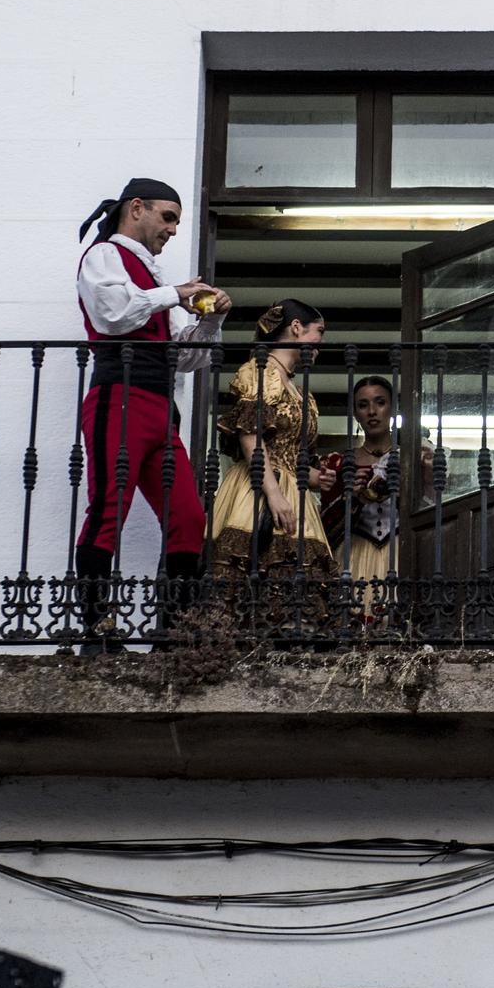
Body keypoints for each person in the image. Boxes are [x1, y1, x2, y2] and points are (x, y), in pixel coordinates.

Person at [72, 178, 229, 651]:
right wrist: (174, 294)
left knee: (187, 516)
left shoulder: (158, 279)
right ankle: (97, 630)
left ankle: (176, 630)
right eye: (168, 217)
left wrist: (212, 319)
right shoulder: (104, 256)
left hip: (162, 410)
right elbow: (112, 315)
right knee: (107, 509)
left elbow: (186, 359)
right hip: (118, 398)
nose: (174, 229)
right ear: (135, 208)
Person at [206, 300, 337, 629]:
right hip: (260, 488)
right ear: (296, 328)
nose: (321, 343)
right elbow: (251, 438)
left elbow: (289, 453)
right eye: (318, 332)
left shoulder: (297, 390)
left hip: (291, 488)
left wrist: (315, 477)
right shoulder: (261, 372)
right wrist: (275, 494)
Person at [333, 375, 402, 617]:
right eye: (363, 405)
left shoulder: (413, 457)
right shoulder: (340, 463)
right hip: (354, 555)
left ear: (393, 408)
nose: (372, 411)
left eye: (380, 402)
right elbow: (325, 529)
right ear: (355, 413)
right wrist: (352, 500)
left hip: (400, 553)